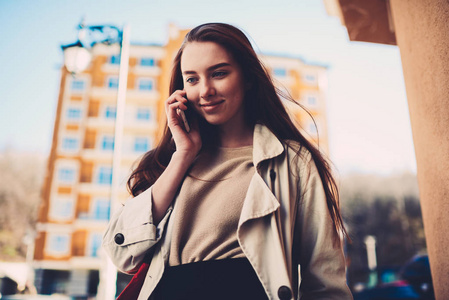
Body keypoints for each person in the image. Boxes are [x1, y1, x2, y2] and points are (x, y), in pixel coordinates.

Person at [103, 22, 353, 300]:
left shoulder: (293, 162)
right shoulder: (166, 162)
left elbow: (325, 284)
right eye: (192, 79)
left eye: (219, 73)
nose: (205, 90)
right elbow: (122, 255)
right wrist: (183, 155)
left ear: (247, 78)